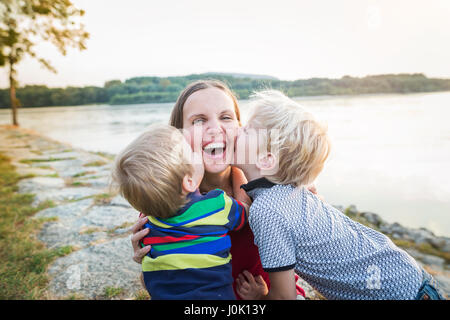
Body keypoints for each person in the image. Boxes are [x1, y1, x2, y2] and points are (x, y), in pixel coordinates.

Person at [233, 90, 447, 300]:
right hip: (410, 277)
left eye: (248, 130)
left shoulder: (267, 210)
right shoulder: (290, 191)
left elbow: (285, 297)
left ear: (266, 160)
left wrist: (260, 298)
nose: (238, 129)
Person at [129, 80, 306, 299]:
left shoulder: (272, 190)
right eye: (199, 120)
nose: (215, 128)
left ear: (241, 129)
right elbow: (156, 285)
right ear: (177, 137)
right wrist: (144, 257)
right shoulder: (163, 202)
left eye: (226, 117)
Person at [112, 124, 248, 299]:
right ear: (189, 181)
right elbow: (245, 211)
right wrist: (238, 168)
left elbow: (149, 278)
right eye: (191, 152)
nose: (195, 152)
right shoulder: (217, 205)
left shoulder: (148, 226)